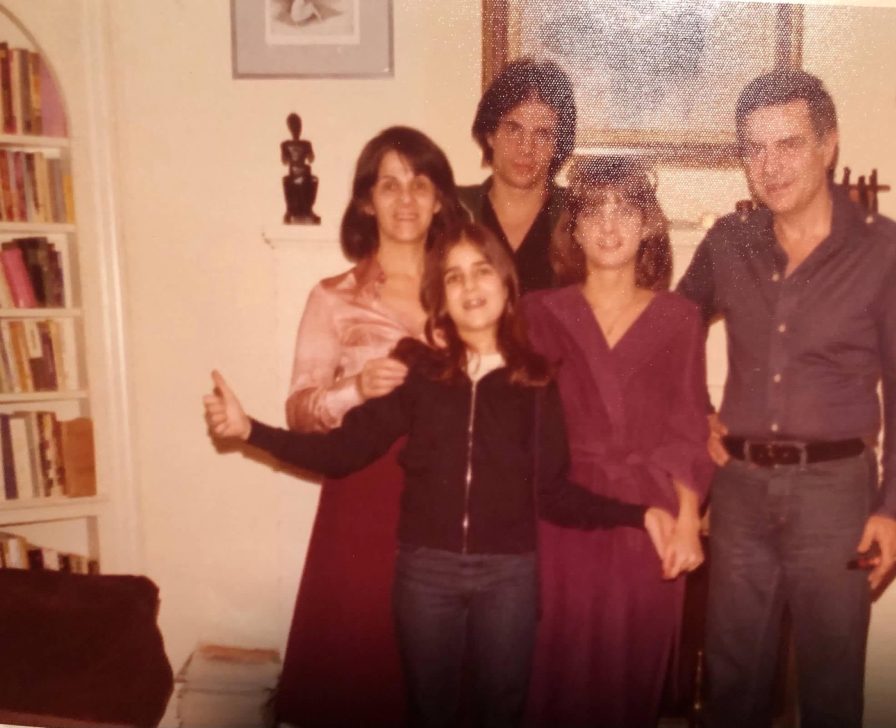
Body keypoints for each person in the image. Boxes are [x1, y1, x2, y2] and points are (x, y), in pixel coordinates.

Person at [205, 222, 679, 728]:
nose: (470, 287)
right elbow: (342, 452)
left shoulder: (537, 380)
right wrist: (249, 430)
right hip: (425, 575)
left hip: (508, 578)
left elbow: (555, 493)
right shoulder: (419, 373)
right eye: (454, 278)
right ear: (441, 297)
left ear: (505, 283)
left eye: (481, 271)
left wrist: (639, 512)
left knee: (499, 715)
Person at [677, 69, 896, 728]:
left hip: (836, 496)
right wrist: (694, 415)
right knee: (733, 684)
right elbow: (669, 334)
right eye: (754, 148)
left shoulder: (885, 250)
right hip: (738, 492)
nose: (770, 164)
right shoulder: (728, 244)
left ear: (829, 145)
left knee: (831, 686)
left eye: (788, 143)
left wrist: (895, 507)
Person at [274, 126, 466, 728]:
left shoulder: (470, 289)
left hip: (450, 496)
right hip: (363, 493)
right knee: (357, 671)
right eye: (389, 185)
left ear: (439, 199)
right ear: (366, 201)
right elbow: (299, 409)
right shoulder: (333, 298)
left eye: (419, 183)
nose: (405, 199)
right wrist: (356, 389)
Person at [521, 156, 714, 727]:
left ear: (649, 224)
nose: (609, 225)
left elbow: (688, 428)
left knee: (626, 685)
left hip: (645, 520)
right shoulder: (537, 312)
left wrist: (686, 522)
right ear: (573, 228)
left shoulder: (680, 319)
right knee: (549, 680)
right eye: (594, 211)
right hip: (560, 516)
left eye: (625, 209)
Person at [459, 57, 576, 294]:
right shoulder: (454, 207)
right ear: (491, 134)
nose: (526, 148)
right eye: (514, 129)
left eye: (542, 134)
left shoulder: (577, 213)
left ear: (557, 145)